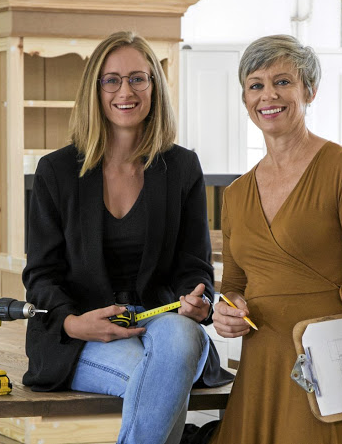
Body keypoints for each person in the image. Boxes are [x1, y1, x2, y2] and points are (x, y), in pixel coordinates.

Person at [22, 31, 233, 444]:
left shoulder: (181, 167)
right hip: (80, 337)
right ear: (95, 90)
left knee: (183, 337)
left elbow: (195, 267)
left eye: (138, 78)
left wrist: (197, 301)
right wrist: (73, 322)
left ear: (154, 87)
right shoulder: (57, 171)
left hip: (162, 324)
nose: (126, 91)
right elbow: (42, 275)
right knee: (160, 375)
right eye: (111, 80)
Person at [209, 35, 342, 444]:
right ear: (245, 98)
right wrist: (226, 313)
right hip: (259, 368)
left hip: (327, 367)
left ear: (309, 90)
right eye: (255, 85)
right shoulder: (236, 193)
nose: (268, 95)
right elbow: (235, 287)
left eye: (282, 82)